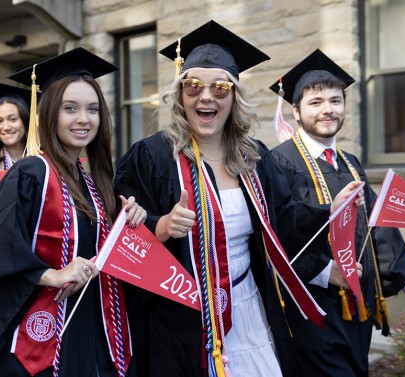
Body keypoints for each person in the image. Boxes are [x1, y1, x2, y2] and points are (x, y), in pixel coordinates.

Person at [114, 21, 363, 377]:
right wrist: (163, 226)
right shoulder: (151, 158)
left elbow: (284, 222)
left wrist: (330, 213)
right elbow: (120, 238)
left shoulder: (254, 158)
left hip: (246, 303)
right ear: (179, 95)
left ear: (234, 97)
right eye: (193, 86)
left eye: (220, 87)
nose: (206, 97)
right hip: (180, 318)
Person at [0, 47, 147, 377]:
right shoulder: (32, 174)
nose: (83, 119)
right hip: (43, 332)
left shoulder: (93, 180)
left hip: (93, 326)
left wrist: (130, 218)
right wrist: (52, 274)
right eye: (69, 108)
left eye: (92, 109)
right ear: (49, 114)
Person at [269, 48, 405, 376]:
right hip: (310, 311)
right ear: (296, 112)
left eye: (335, 100)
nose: (327, 110)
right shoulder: (278, 163)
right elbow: (274, 234)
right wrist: (322, 271)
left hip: (356, 309)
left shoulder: (349, 162)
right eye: (316, 103)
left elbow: (376, 224)